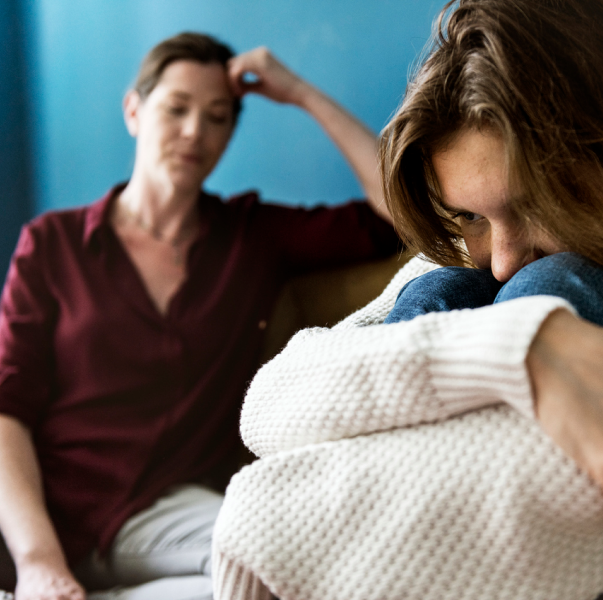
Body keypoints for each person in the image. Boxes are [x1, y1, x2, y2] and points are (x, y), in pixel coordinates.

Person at [212, 0, 603, 599]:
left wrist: (254, 514)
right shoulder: (489, 255)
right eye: (470, 215)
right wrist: (522, 347)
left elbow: (519, 496)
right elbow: (271, 400)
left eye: (538, 202)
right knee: (451, 288)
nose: (503, 256)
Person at [0, 32, 398, 600]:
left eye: (217, 117)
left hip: (170, 516)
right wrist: (38, 562)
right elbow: (6, 409)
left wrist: (302, 94)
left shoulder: (252, 238)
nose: (195, 132)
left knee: (284, 561)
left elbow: (399, 213)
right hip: (50, 515)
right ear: (134, 111)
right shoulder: (52, 244)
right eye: (177, 108)